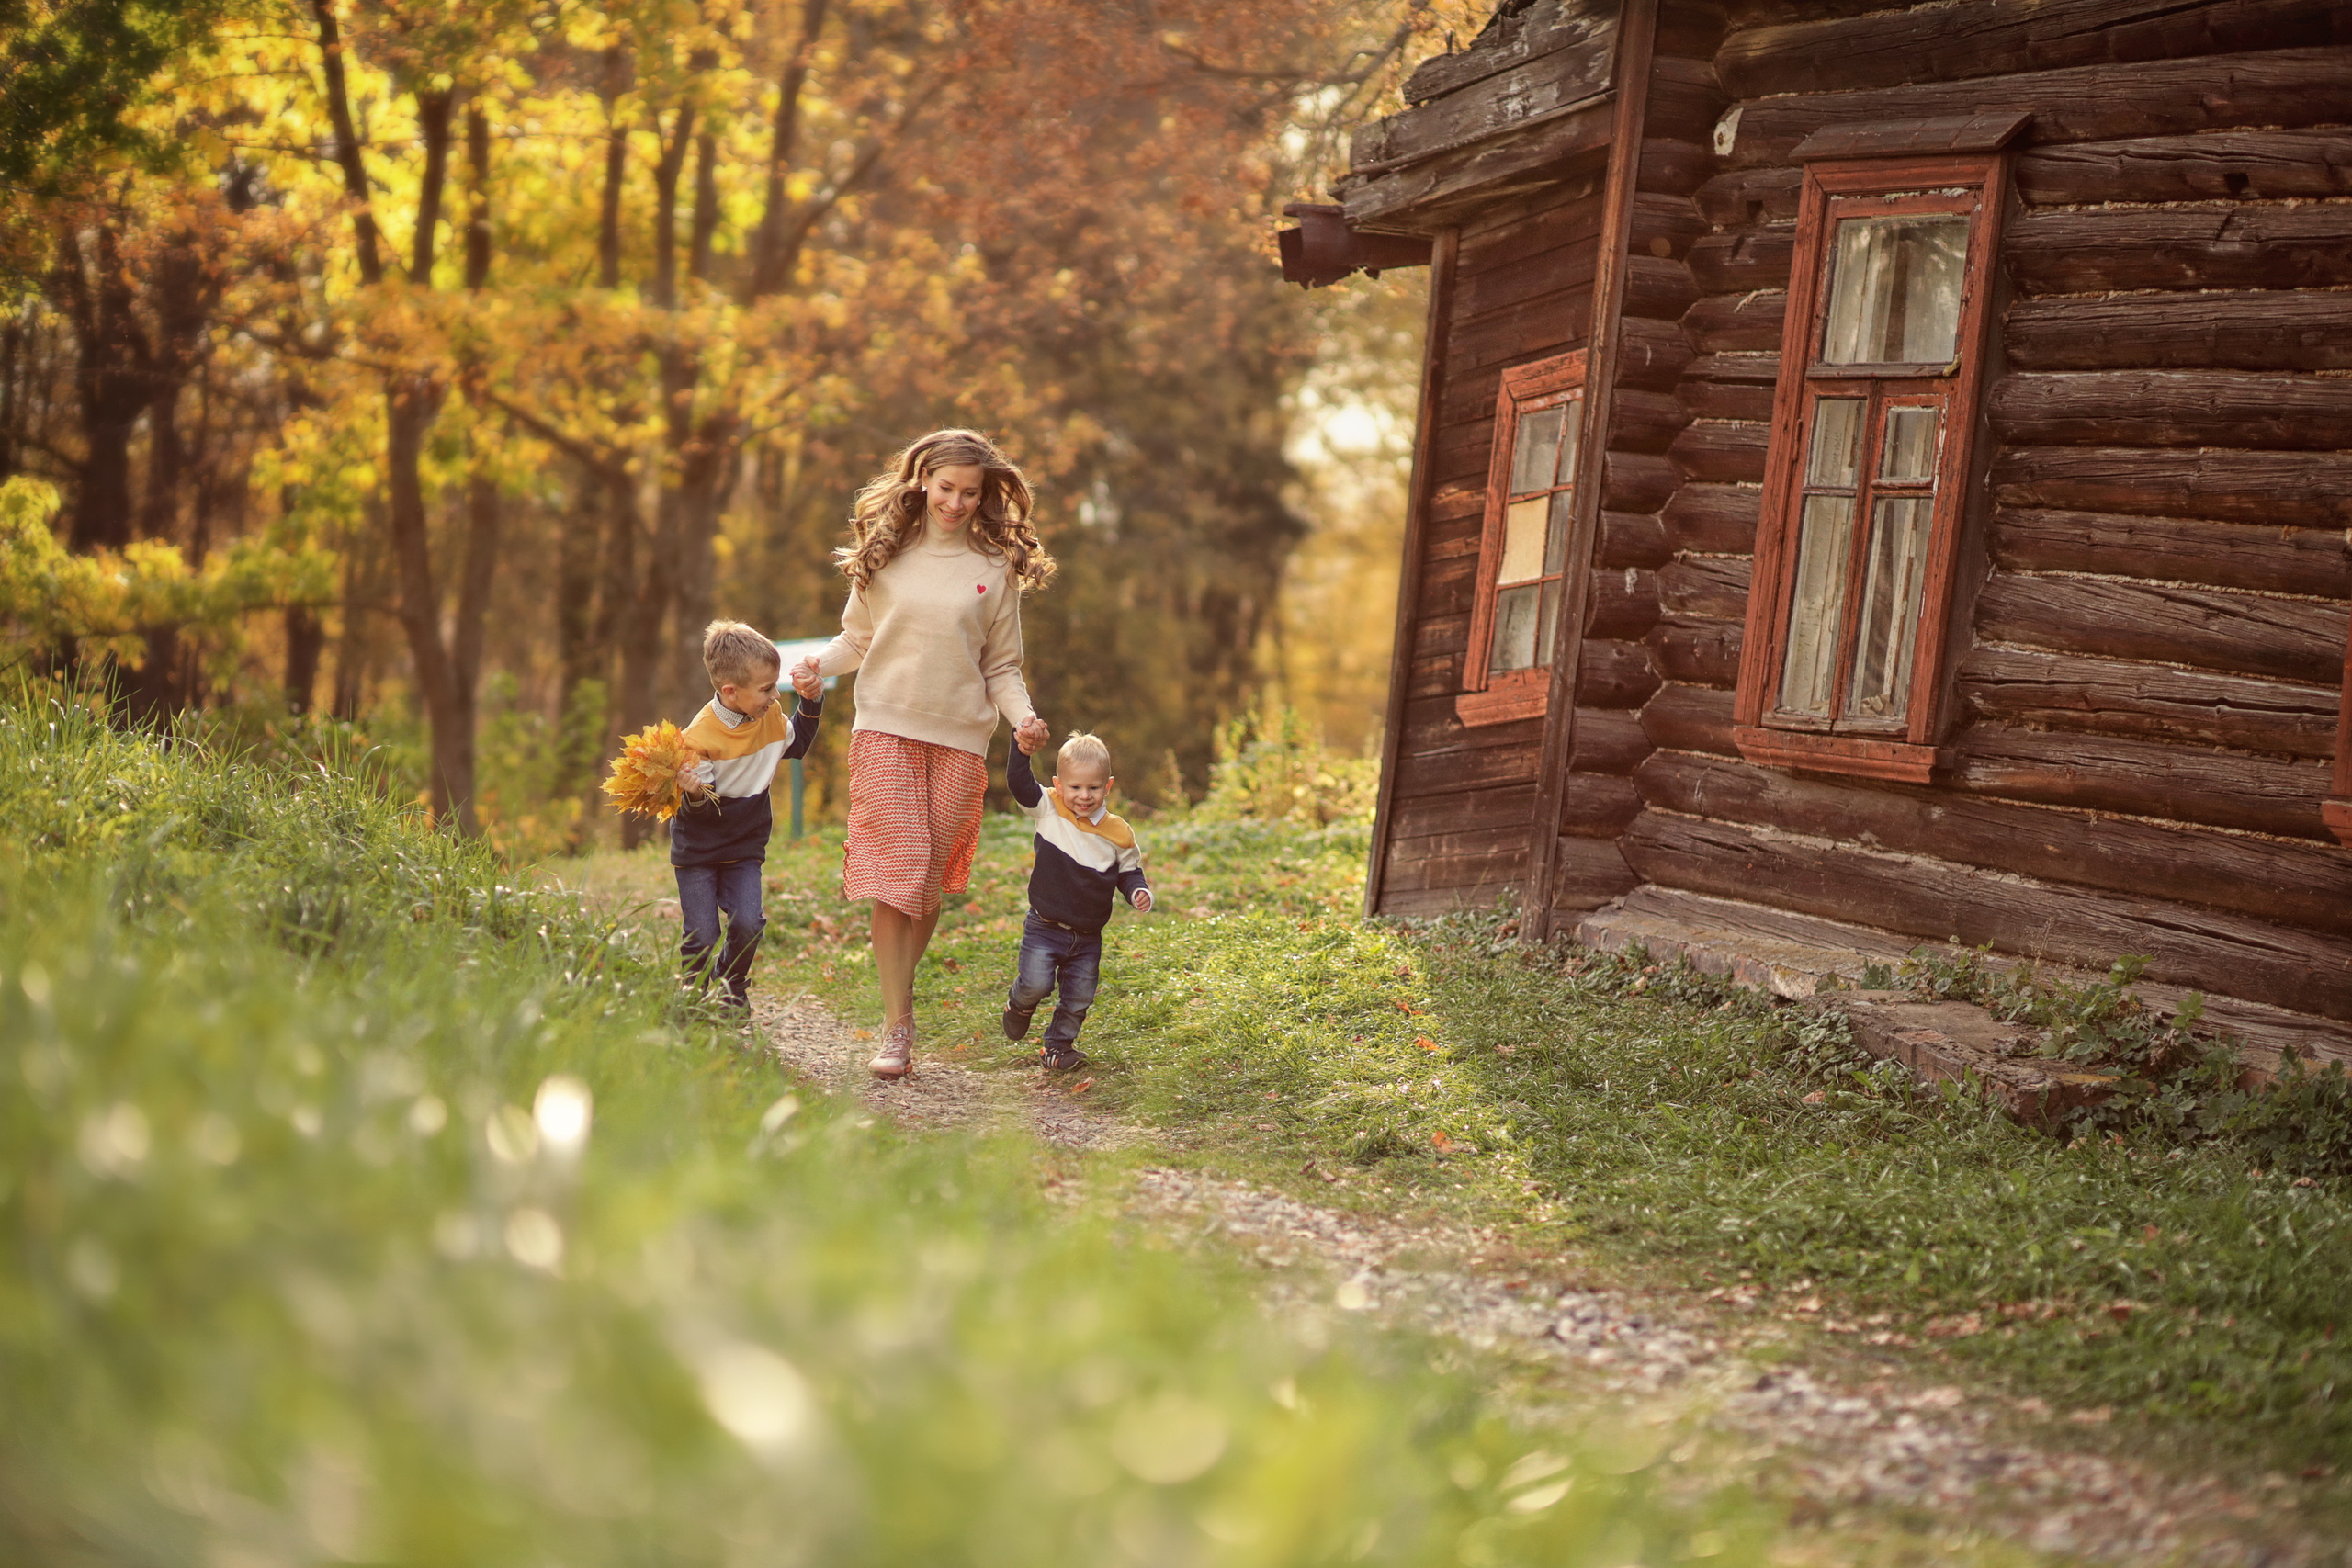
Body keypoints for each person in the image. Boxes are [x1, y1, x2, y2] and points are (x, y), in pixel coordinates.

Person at [792, 430, 1054, 1080]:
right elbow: (857, 639)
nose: (957, 503)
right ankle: (897, 1024)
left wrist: (1024, 720)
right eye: (946, 489)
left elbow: (1002, 668)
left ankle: (897, 1006)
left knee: (927, 882)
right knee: (899, 866)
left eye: (970, 493)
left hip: (961, 738)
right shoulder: (887, 554)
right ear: (923, 481)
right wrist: (815, 668)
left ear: (984, 493)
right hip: (883, 727)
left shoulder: (993, 569)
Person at [673, 620, 824, 1013]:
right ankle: (691, 1000)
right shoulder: (698, 739)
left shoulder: (770, 716)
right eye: (766, 689)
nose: (775, 696)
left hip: (744, 848)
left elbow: (799, 745)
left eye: (775, 686)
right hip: (699, 852)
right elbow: (703, 814)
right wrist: (692, 795)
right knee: (703, 935)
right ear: (730, 691)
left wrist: (812, 702)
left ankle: (730, 987)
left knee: (748, 924)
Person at [1002, 729, 1150, 1072]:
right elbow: (1018, 782)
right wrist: (1020, 747)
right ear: (1058, 784)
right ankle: (1018, 1005)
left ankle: (1057, 1047)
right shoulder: (1049, 808)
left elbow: (1129, 872)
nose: (1084, 796)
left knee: (1079, 997)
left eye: (1093, 788)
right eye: (1075, 787)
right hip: (1044, 926)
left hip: (1087, 936)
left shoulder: (1119, 833)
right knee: (1035, 984)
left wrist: (1137, 891)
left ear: (1108, 786)